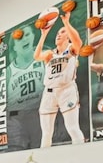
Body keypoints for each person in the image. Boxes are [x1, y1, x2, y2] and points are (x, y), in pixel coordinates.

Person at [33, 11, 86, 148]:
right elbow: (37, 56)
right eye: (57, 33)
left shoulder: (71, 49)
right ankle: (44, 160)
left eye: (62, 32)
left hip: (67, 90)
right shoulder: (50, 54)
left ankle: (81, 156)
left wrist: (66, 23)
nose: (59, 34)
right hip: (49, 92)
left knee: (72, 128)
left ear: (68, 35)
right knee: (46, 133)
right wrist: (43, 35)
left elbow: (78, 42)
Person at [7, 24, 45, 150]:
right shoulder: (8, 71)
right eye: (20, 38)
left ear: (34, 37)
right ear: (15, 47)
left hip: (41, 111)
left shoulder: (45, 57)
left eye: (28, 35)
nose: (25, 39)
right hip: (17, 117)